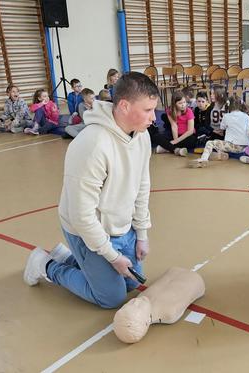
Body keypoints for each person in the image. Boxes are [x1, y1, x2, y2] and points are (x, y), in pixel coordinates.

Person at [23, 72, 159, 309]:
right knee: (111, 297)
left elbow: (142, 185)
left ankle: (68, 257)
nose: (153, 118)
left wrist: (142, 234)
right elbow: (82, 217)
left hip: (121, 227)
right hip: (87, 230)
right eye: (148, 110)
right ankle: (46, 265)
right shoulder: (93, 144)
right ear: (124, 106)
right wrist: (113, 256)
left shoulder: (142, 136)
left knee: (131, 284)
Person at [188, 95, 249, 168]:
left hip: (232, 146)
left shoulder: (227, 116)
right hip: (244, 147)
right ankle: (221, 154)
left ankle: (203, 159)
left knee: (210, 143)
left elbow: (222, 128)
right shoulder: (246, 116)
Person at [152, 91, 197, 157]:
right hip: (175, 134)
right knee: (156, 137)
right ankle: (175, 149)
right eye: (180, 103)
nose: (183, 105)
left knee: (192, 141)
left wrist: (176, 141)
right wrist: (175, 140)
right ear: (175, 103)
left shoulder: (189, 111)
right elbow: (174, 126)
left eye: (184, 102)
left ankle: (166, 148)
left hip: (186, 135)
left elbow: (190, 131)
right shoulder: (170, 110)